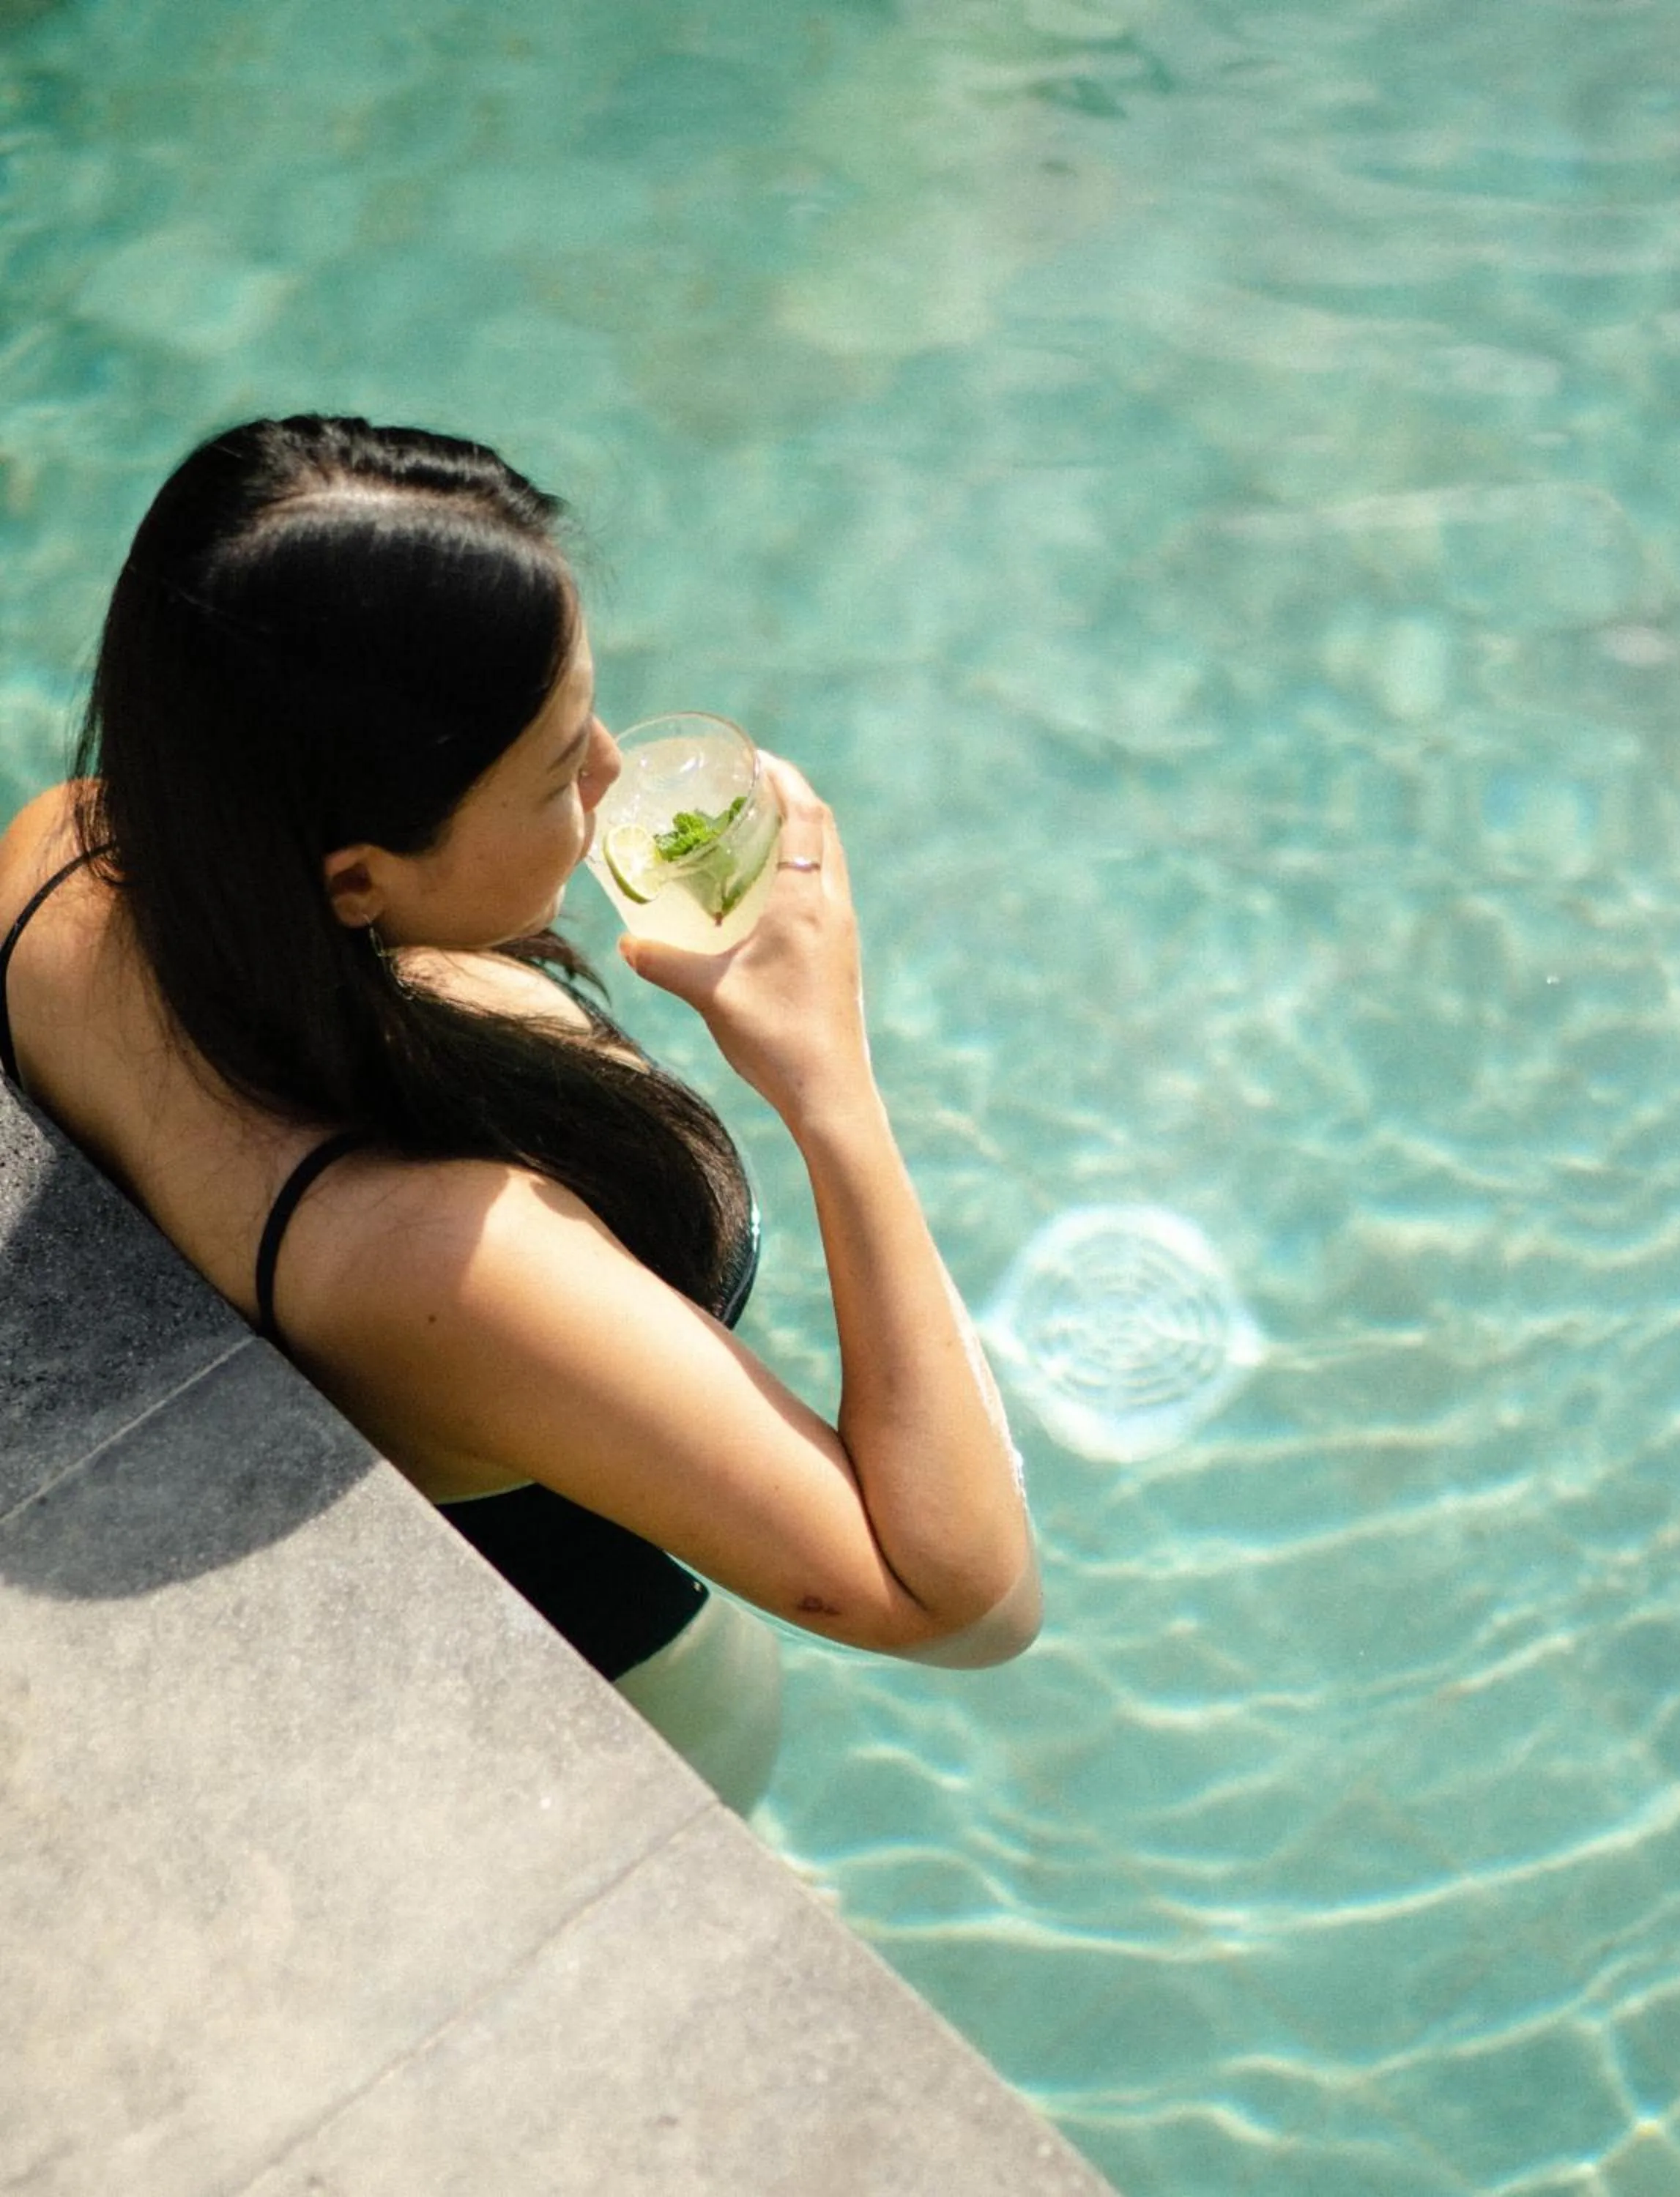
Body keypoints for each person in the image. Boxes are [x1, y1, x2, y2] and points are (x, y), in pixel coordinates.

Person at [0, 416, 1039, 1812]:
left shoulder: (65, 848)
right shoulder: (442, 1255)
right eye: (557, 774)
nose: (611, 776)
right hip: (620, 1694)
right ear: (357, 880)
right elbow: (969, 1608)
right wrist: (830, 1086)